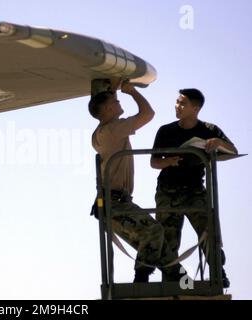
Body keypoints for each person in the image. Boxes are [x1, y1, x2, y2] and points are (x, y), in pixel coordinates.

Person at [89, 81, 180, 282]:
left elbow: (101, 104)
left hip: (115, 202)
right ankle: (141, 280)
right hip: (114, 203)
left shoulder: (104, 131)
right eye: (115, 100)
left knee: (161, 249)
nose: (119, 101)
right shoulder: (113, 129)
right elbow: (148, 114)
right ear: (108, 108)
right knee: (154, 231)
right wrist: (132, 91)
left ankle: (185, 285)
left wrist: (111, 90)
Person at [151, 88, 237, 287]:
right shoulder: (166, 130)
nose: (177, 106)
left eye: (183, 103)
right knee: (168, 240)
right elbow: (154, 162)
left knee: (209, 232)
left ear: (195, 108)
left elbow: (232, 151)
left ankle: (218, 272)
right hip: (168, 192)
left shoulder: (209, 129)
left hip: (194, 191)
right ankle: (171, 281)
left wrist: (217, 142)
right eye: (177, 102)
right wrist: (169, 161)